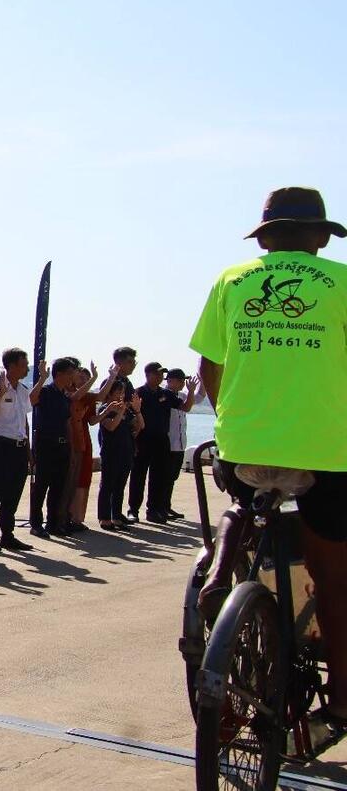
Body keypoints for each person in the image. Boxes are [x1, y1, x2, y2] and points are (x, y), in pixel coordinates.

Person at [191, 186, 347, 728]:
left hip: (244, 448)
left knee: (249, 507)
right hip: (324, 452)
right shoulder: (343, 284)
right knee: (332, 578)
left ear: (265, 237)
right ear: (321, 237)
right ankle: (344, 695)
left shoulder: (231, 280)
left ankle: (224, 572)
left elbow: (210, 368)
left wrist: (233, 421)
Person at [0, 348, 42, 554]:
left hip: (20, 447)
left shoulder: (22, 390)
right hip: (2, 445)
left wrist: (30, 452)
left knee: (13, 493)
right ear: (11, 366)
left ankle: (8, 535)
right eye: (24, 364)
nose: (27, 367)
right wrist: (2, 393)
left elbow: (24, 421)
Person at [130, 362, 191, 524]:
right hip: (143, 439)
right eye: (157, 374)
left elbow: (185, 407)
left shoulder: (167, 394)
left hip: (162, 440)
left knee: (159, 477)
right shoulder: (139, 392)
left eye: (161, 374)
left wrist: (191, 392)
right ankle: (133, 510)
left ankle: (154, 510)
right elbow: (132, 418)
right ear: (148, 375)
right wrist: (134, 440)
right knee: (138, 475)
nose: (160, 377)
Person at [28, 358, 78, 538]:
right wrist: (42, 378)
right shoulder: (46, 391)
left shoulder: (64, 397)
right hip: (46, 445)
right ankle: (36, 523)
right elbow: (31, 400)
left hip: (62, 446)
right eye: (70, 373)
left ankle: (53, 523)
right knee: (41, 486)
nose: (73, 377)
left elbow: (67, 423)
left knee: (58, 487)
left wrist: (71, 449)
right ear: (60, 374)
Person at [96, 378, 142, 529]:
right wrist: (120, 411)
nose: (121, 395)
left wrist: (137, 410)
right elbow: (111, 426)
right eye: (118, 391)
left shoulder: (125, 409)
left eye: (122, 392)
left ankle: (116, 516)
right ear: (109, 393)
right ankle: (104, 517)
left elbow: (140, 425)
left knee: (120, 486)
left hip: (126, 451)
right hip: (111, 452)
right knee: (107, 485)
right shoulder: (105, 409)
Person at [64, 362, 101, 529]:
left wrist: (107, 412)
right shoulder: (69, 393)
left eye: (87, 377)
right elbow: (76, 398)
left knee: (84, 477)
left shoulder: (88, 397)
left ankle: (78, 518)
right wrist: (93, 378)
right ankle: (68, 516)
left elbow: (93, 419)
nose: (84, 380)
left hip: (84, 439)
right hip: (70, 438)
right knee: (71, 479)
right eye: (81, 377)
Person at [162, 367, 200, 520]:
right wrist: (191, 391)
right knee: (164, 478)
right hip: (168, 443)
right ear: (171, 381)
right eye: (181, 380)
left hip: (179, 443)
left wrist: (199, 384)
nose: (184, 383)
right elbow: (187, 407)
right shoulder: (165, 395)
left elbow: (198, 399)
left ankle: (166, 506)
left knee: (172, 477)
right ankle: (160, 507)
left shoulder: (180, 395)